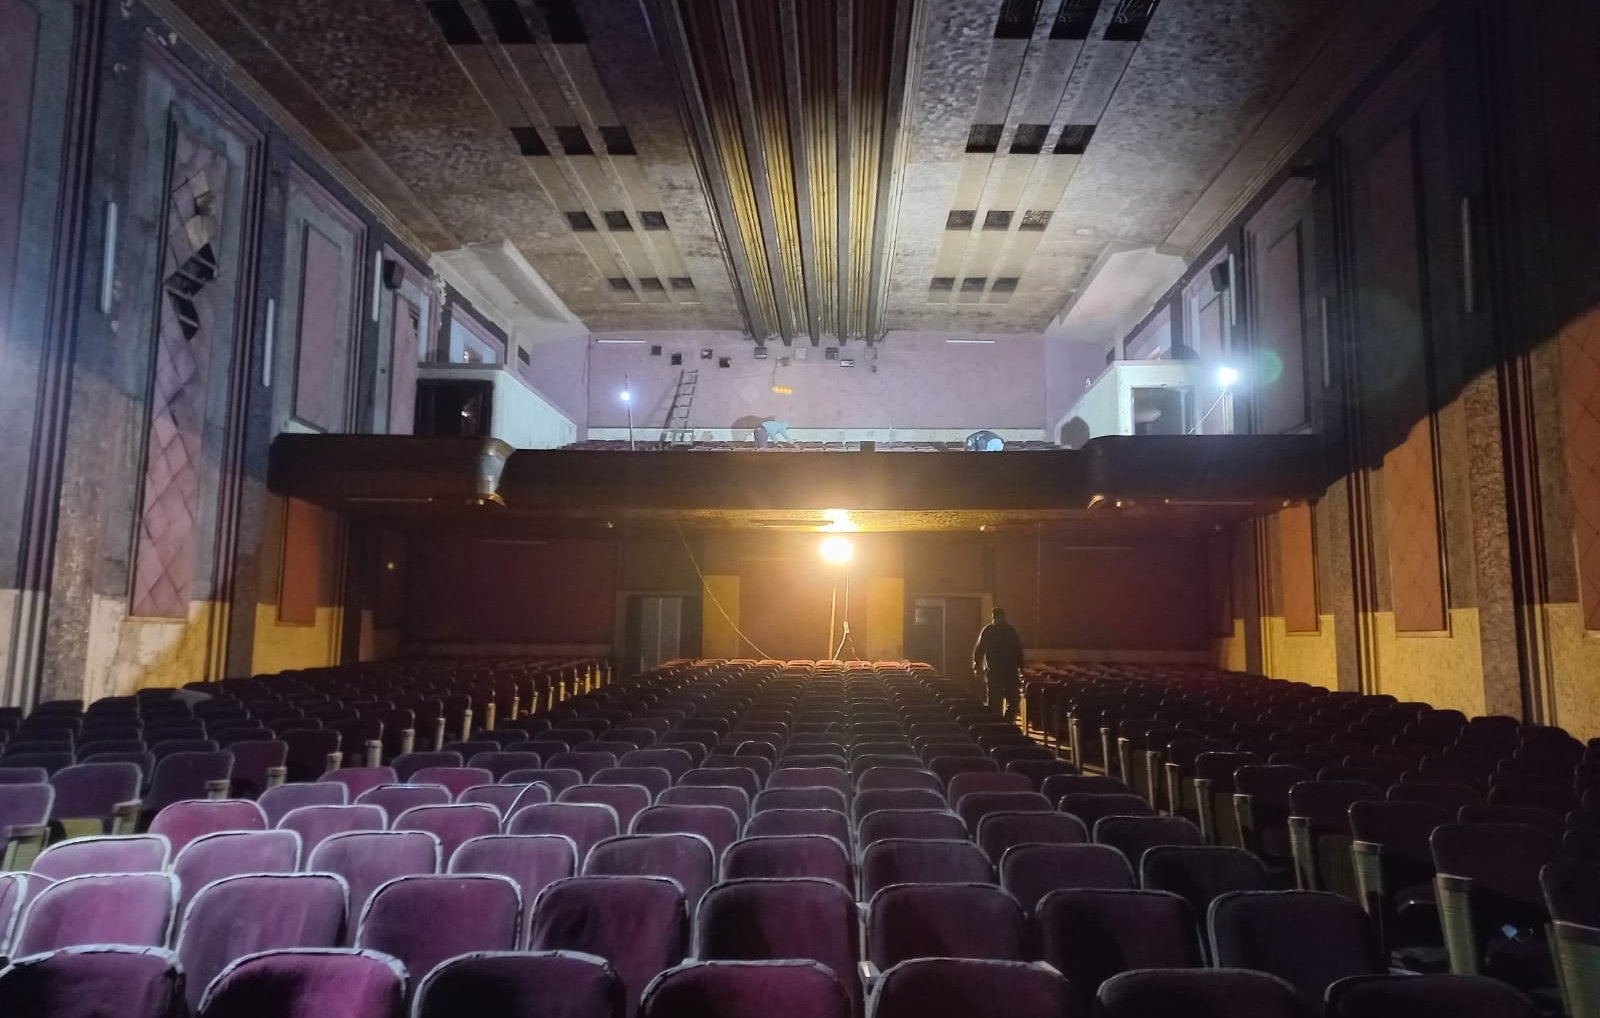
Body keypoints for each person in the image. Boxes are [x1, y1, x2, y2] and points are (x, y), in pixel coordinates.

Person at [973, 606, 1025, 721]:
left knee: (1014, 699)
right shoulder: (989, 631)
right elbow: (979, 650)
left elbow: (1017, 650)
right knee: (995, 700)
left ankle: (1007, 720)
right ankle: (997, 722)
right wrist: (977, 666)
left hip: (1007, 670)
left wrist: (1021, 667)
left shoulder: (1009, 631)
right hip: (996, 670)